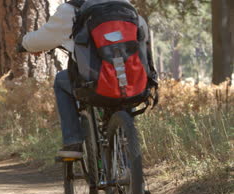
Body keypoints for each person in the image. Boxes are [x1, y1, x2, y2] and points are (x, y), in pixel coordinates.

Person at [20, 0, 149, 158]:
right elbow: (143, 33)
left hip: (93, 84)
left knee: (61, 81)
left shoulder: (70, 10)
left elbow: (39, 39)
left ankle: (73, 141)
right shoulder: (124, 5)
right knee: (125, 82)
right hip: (131, 81)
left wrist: (25, 44)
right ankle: (128, 143)